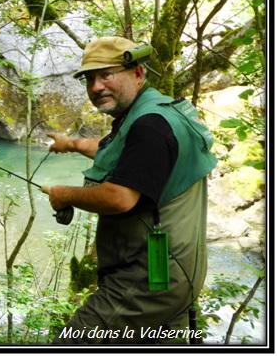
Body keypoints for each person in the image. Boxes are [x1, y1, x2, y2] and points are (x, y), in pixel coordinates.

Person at [44, 36, 218, 344]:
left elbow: (120, 197)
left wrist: (64, 194)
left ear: (137, 73)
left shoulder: (149, 127)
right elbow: (120, 152)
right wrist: (69, 144)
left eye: (107, 74)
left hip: (145, 279)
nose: (96, 86)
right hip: (175, 276)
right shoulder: (160, 112)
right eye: (90, 79)